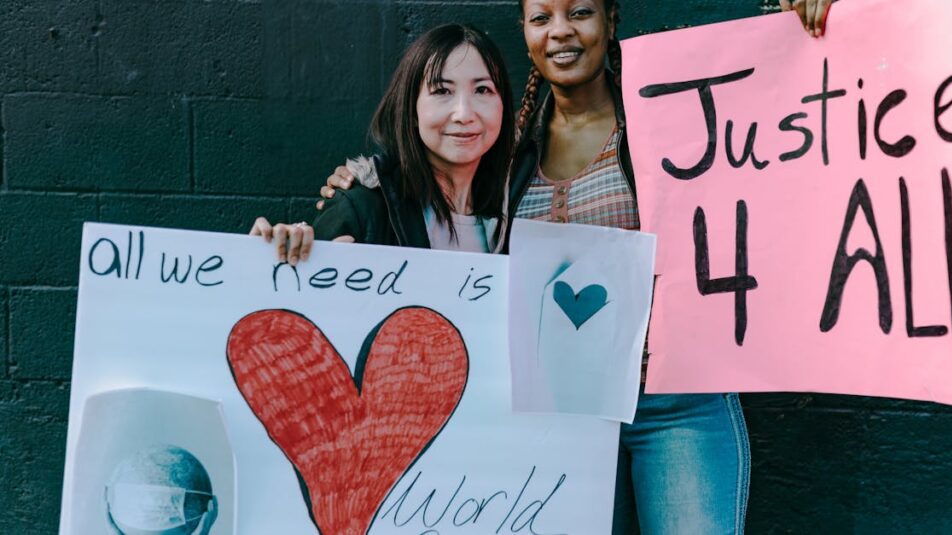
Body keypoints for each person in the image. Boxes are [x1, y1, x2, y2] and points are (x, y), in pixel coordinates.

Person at [316, 2, 832, 533]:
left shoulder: (666, 116)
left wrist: (810, 20)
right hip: (563, 413)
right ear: (526, 32)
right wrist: (357, 188)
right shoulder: (506, 152)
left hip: (675, 404)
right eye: (541, 18)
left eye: (580, 12)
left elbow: (776, 114)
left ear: (610, 21)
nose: (560, 31)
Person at [250, 23, 514, 258]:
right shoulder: (362, 207)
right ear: (411, 110)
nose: (464, 114)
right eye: (442, 91)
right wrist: (269, 257)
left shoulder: (515, 211)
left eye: (483, 90)